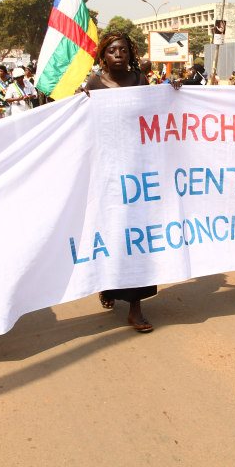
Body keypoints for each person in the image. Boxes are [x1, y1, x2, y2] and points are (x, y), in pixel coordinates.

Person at [83, 32, 158, 333]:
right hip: (107, 170)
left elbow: (155, 109)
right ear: (103, 55)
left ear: (131, 54)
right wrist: (79, 101)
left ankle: (136, 308)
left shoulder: (139, 80)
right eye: (112, 50)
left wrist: (174, 92)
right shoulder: (93, 84)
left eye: (124, 50)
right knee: (113, 231)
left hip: (137, 167)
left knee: (137, 235)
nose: (118, 55)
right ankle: (108, 285)